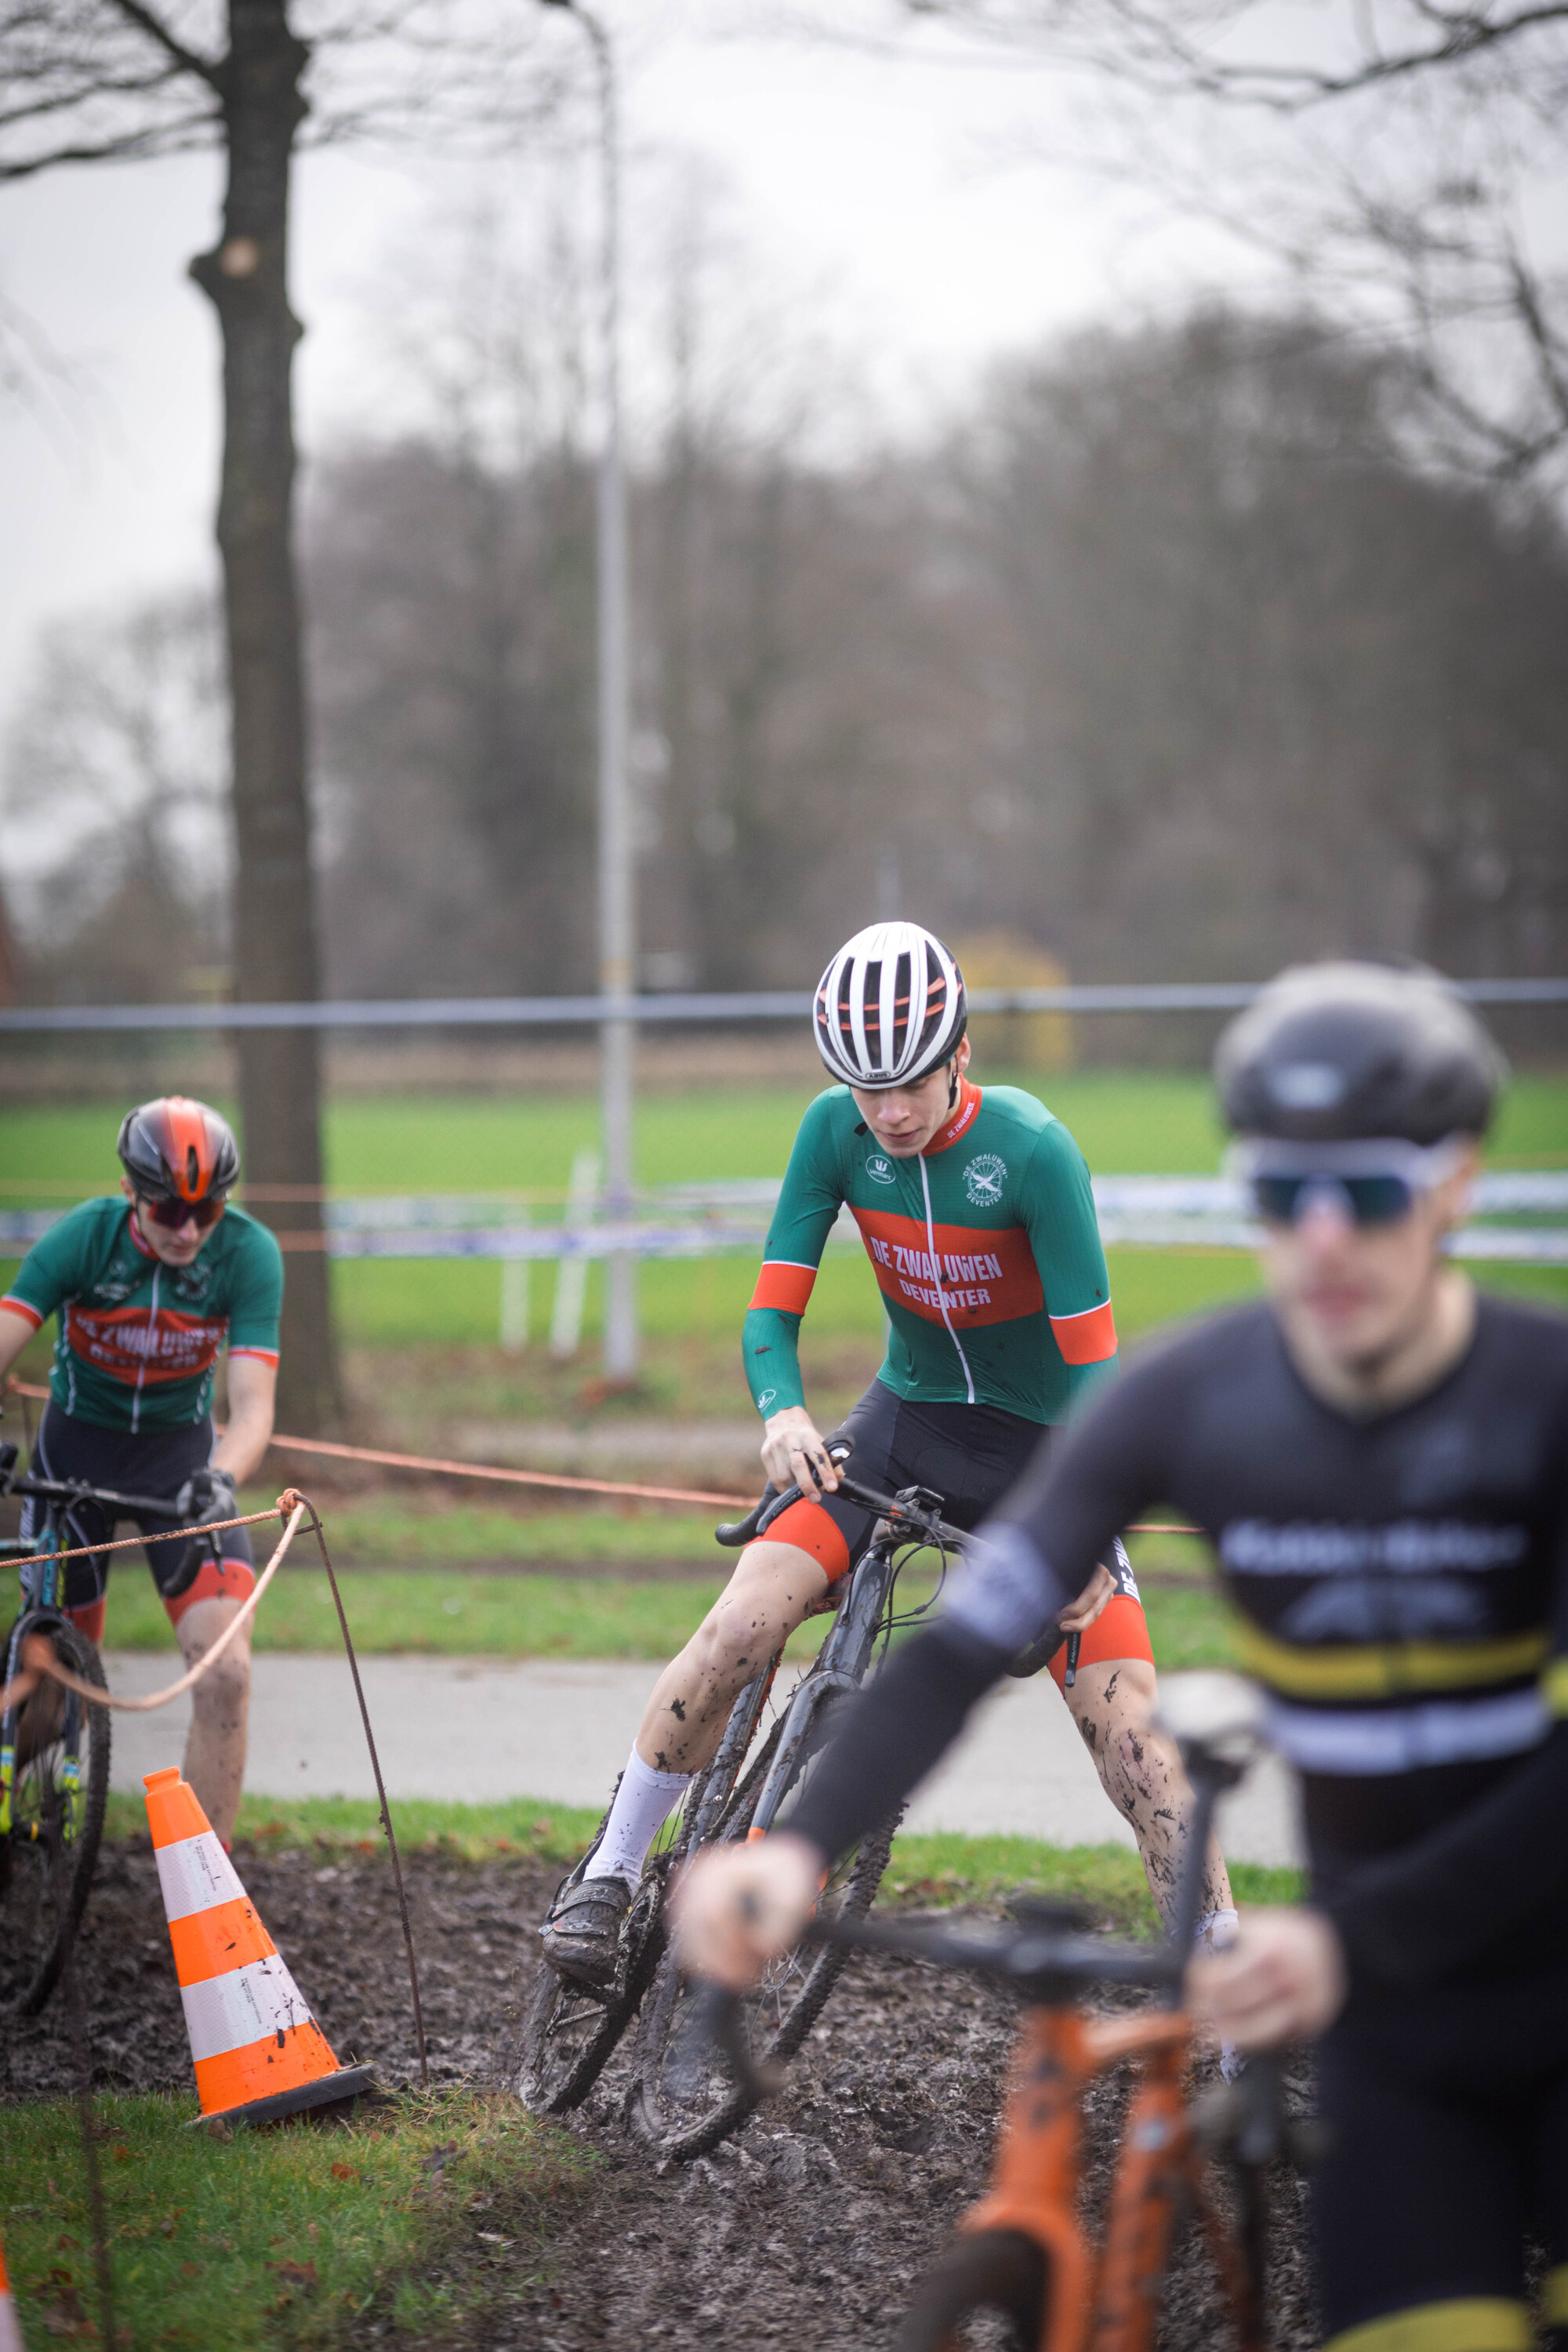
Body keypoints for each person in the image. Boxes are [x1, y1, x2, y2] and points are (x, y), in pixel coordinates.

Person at [677, 960, 1568, 2352]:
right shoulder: (1192, 1404)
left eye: (1374, 1195)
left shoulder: (1545, 1409)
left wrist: (1348, 1938)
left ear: (1455, 1186)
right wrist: (799, 1847)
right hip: (1396, 2041)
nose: (1325, 1241)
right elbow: (961, 1644)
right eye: (1283, 1197)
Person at [542, 920, 1234, 1984]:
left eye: (910, 1083)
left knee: (1133, 1738)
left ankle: (1229, 1986)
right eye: (868, 1091)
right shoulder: (834, 1134)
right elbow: (771, 1315)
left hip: (1044, 1462)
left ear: (961, 1052)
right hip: (900, 1419)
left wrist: (1093, 1525)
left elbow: (1098, 1371)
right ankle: (611, 1869)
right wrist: (781, 1413)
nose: (892, 1112)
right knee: (740, 1621)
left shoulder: (1034, 1152)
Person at [0, 1097, 282, 1847]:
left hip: (181, 1466)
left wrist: (220, 1477)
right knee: (49, 1702)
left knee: (225, 1676)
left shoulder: (248, 1253)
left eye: (209, 1207)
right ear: (131, 1191)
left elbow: (253, 1410)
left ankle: (205, 1908)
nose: (189, 1228)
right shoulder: (83, 1240)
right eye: (169, 1207)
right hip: (74, 1462)